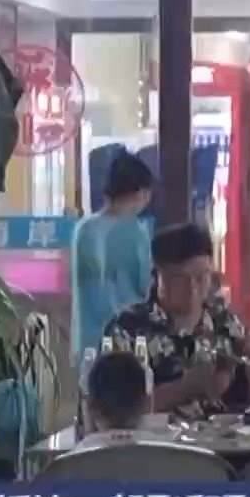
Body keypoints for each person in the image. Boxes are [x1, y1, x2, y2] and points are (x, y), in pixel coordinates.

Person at [105, 222, 250, 418]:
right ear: (157, 276)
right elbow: (113, 412)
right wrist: (184, 389)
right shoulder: (127, 329)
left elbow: (246, 400)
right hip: (154, 437)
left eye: (201, 277)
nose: (192, 289)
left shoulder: (225, 323)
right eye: (179, 279)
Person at [72, 150, 155, 365]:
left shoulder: (83, 229)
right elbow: (145, 287)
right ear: (140, 192)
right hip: (126, 339)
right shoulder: (135, 231)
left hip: (88, 340)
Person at [66, 351, 177, 453]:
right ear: (146, 403)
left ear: (91, 407)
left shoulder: (70, 462)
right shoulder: (170, 455)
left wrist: (89, 433)